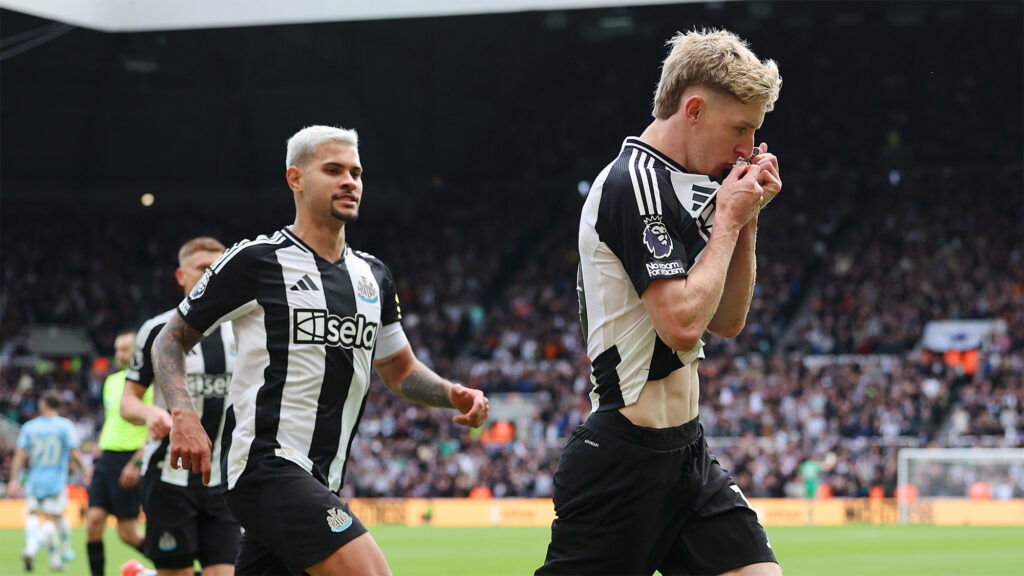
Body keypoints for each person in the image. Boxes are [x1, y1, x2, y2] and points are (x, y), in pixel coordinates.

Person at [151, 125, 490, 576]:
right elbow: (170, 339)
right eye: (333, 170)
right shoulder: (256, 261)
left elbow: (398, 369)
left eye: (356, 172)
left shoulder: (373, 276)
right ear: (295, 178)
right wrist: (184, 414)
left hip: (322, 477)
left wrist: (452, 393)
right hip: (265, 465)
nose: (349, 181)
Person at [537, 28, 783, 576]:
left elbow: (728, 320)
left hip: (686, 452)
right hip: (624, 459)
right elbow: (681, 324)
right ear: (693, 109)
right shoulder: (635, 182)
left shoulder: (682, 183)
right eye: (739, 129)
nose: (746, 148)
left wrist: (746, 221)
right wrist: (726, 220)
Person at [121, 236, 240, 576]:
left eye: (219, 268)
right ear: (180, 276)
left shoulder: (246, 330)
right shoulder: (157, 330)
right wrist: (152, 413)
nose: (212, 275)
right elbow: (127, 403)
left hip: (225, 481)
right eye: (204, 268)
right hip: (168, 478)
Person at [87, 330, 152, 576]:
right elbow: (110, 421)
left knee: (127, 533)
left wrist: (137, 461)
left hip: (128, 459)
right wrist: (98, 455)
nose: (118, 354)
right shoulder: (112, 382)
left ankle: (174, 568)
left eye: (124, 349)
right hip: (106, 458)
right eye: (117, 349)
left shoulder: (147, 382)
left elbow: (155, 425)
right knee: (93, 523)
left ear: (137, 351)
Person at [9, 391, 84, 572]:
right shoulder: (65, 426)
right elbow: (74, 453)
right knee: (53, 520)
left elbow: (20, 454)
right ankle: (31, 549)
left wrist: (14, 480)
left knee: (33, 516)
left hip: (35, 479)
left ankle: (54, 560)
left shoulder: (30, 426)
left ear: (44, 404)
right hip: (56, 481)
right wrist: (86, 470)